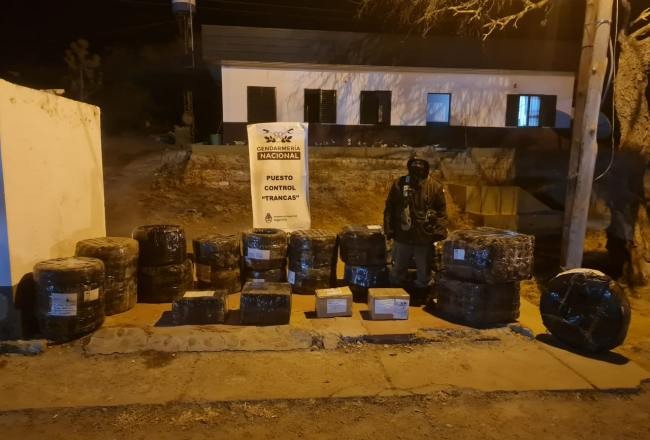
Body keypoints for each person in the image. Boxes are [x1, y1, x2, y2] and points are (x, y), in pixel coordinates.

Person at [383, 156, 448, 292]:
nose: (417, 166)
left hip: (424, 237)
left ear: (426, 167)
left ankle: (421, 294)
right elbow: (389, 208)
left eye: (420, 163)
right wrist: (389, 228)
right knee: (397, 269)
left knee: (424, 272)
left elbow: (441, 212)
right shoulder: (399, 184)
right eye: (414, 163)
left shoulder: (435, 187)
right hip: (402, 235)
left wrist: (439, 232)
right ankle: (395, 294)